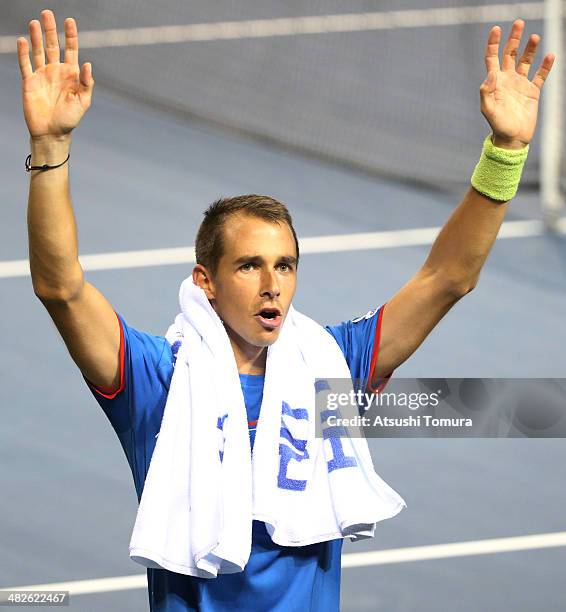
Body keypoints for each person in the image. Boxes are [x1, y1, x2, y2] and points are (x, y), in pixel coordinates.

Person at [18, 8, 554, 612]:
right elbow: (60, 288)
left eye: (285, 265)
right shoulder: (157, 381)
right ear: (207, 282)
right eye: (249, 265)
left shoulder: (331, 370)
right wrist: (50, 145)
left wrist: (505, 151)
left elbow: (448, 277)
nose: (273, 284)